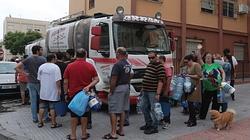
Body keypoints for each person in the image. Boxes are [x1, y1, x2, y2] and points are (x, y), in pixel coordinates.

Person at [64, 48, 99, 140]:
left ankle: (73, 135)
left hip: (73, 94)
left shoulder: (69, 66)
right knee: (85, 114)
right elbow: (96, 79)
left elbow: (65, 81)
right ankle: (84, 134)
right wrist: (89, 86)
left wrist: (65, 93)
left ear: (76, 55)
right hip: (85, 94)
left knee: (73, 115)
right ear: (85, 55)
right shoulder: (90, 66)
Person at [103, 47, 132, 139]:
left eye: (116, 53)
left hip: (118, 88)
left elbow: (113, 80)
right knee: (122, 109)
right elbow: (131, 75)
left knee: (113, 110)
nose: (115, 54)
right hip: (126, 87)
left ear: (119, 53)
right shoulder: (127, 64)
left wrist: (111, 91)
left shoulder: (117, 65)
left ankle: (113, 133)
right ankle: (121, 130)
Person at [16, 45, 47, 123]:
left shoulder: (28, 59)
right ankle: (45, 117)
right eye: (41, 50)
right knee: (43, 100)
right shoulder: (43, 59)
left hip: (31, 82)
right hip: (40, 82)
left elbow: (17, 67)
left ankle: (34, 118)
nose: (42, 51)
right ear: (37, 51)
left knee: (33, 101)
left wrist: (24, 73)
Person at [196, 45, 225, 120]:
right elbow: (199, 57)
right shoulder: (204, 65)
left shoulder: (216, 65)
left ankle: (214, 116)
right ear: (205, 58)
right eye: (206, 57)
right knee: (205, 103)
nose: (208, 58)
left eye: (209, 57)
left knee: (216, 104)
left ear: (212, 58)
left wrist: (223, 79)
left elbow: (222, 72)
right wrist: (198, 49)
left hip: (217, 87)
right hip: (207, 88)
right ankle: (202, 116)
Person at [140, 52, 165, 134]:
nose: (150, 59)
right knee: (143, 107)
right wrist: (143, 88)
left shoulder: (160, 66)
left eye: (152, 57)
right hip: (146, 90)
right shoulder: (150, 64)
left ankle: (155, 127)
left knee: (154, 109)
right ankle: (148, 123)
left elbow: (161, 81)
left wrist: (158, 93)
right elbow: (146, 76)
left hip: (153, 91)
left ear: (156, 57)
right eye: (149, 58)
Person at [37, 54, 62, 128]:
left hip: (43, 90)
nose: (56, 59)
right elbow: (58, 80)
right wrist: (59, 89)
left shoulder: (41, 67)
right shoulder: (55, 67)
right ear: (53, 59)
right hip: (53, 90)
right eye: (56, 58)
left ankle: (40, 122)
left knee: (42, 107)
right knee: (52, 108)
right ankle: (53, 123)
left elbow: (39, 79)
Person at [182, 55, 202, 127]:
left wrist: (189, 76)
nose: (186, 63)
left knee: (192, 104)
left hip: (195, 87)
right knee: (189, 103)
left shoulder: (196, 65)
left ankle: (193, 121)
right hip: (189, 87)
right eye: (185, 62)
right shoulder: (188, 66)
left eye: (187, 62)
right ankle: (190, 119)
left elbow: (199, 76)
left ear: (191, 60)